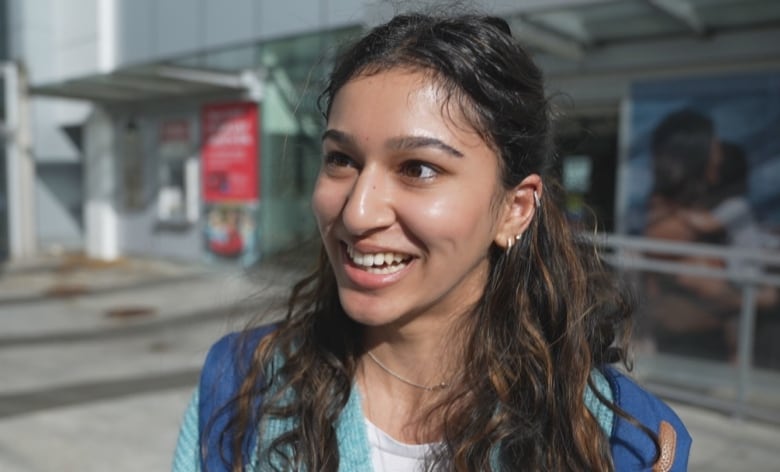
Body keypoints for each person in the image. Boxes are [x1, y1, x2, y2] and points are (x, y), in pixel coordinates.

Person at [173, 13, 690, 471]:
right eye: (341, 159)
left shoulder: (624, 442)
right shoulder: (242, 384)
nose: (357, 212)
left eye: (418, 168)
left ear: (515, 209)